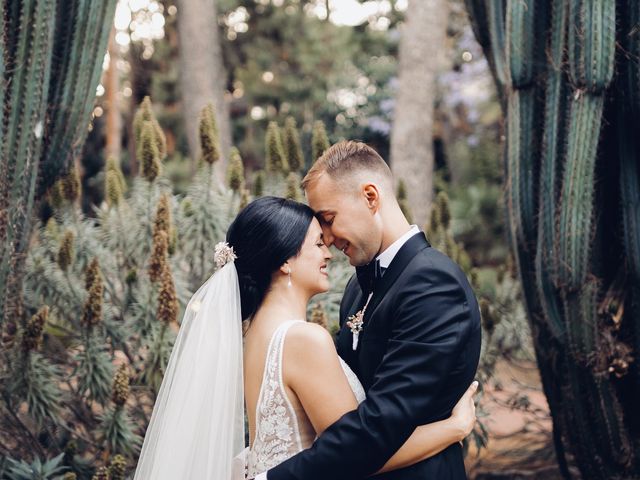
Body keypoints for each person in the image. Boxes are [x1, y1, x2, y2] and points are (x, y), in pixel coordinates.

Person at [133, 195, 478, 479]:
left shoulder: (255, 331)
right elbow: (358, 454)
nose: (329, 251)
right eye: (317, 243)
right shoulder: (303, 340)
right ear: (285, 260)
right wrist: (454, 428)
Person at [260, 141, 482, 480]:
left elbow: (379, 424)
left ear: (370, 197)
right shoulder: (356, 287)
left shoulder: (433, 284)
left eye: (329, 219)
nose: (328, 239)